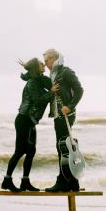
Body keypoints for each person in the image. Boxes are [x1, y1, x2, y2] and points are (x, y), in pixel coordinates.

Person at [1, 58, 59, 192]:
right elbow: (38, 101)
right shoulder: (32, 83)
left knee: (31, 151)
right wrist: (51, 92)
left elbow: (50, 84)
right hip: (24, 119)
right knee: (20, 151)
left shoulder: (39, 80)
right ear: (35, 67)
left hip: (31, 121)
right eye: (41, 63)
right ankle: (7, 180)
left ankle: (25, 181)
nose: (43, 64)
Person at [43, 49, 84, 192]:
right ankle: (71, 183)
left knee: (63, 147)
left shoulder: (65, 72)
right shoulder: (53, 74)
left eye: (46, 60)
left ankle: (63, 181)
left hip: (66, 114)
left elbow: (79, 90)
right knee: (63, 147)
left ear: (53, 58)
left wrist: (70, 106)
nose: (45, 63)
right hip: (57, 115)